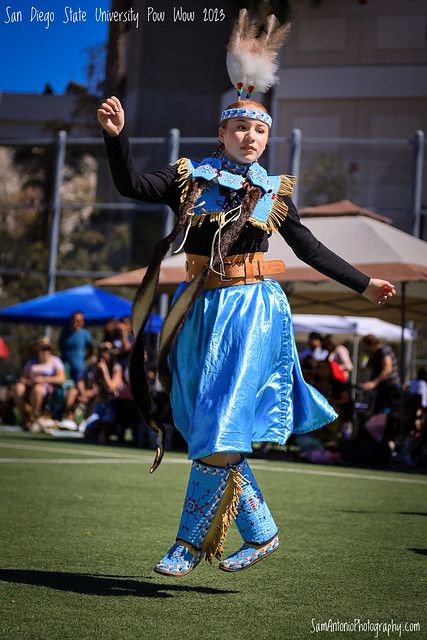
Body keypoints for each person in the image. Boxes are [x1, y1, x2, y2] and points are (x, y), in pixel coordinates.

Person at [98, 10, 396, 576]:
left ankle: (188, 544)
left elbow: (307, 247)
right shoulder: (189, 176)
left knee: (219, 424)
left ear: (267, 136)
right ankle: (261, 530)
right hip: (197, 311)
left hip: (254, 312)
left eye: (259, 130)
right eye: (240, 128)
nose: (251, 137)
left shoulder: (273, 192)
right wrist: (117, 139)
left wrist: (363, 283)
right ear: (221, 132)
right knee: (208, 426)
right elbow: (131, 184)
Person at [12, 339, 66, 426]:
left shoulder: (56, 361)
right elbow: (23, 377)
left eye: (47, 348)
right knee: (18, 388)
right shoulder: (32, 361)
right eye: (42, 348)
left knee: (37, 390)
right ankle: (25, 414)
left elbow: (62, 378)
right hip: (30, 386)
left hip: (47, 388)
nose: (45, 351)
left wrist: (43, 379)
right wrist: (27, 381)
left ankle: (33, 416)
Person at [360, 334, 401, 413]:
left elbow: (388, 368)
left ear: (371, 344)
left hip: (390, 388)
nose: (365, 349)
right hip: (382, 388)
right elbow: (366, 368)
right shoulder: (375, 353)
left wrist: (374, 382)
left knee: (384, 413)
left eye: (365, 347)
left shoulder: (384, 350)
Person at [59, 311, 93, 383]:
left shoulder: (85, 334)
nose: (75, 322)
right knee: (66, 387)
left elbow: (91, 350)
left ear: (82, 322)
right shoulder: (65, 331)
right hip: (65, 366)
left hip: (78, 368)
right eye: (74, 320)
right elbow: (60, 345)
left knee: (79, 387)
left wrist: (84, 359)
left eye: (78, 321)